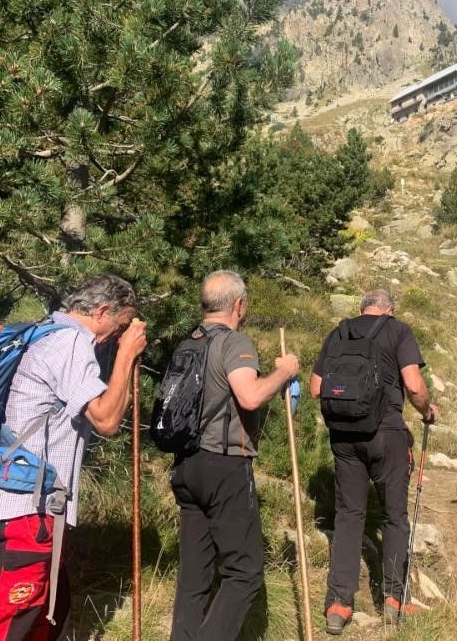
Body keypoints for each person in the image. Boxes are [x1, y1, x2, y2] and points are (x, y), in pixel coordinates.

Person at [0, 273, 147, 640]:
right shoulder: (70, 343)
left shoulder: (44, 332)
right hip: (26, 514)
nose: (118, 336)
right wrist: (127, 355)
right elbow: (107, 419)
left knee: (44, 624)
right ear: (101, 311)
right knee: (1, 629)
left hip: (26, 509)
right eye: (120, 326)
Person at [170, 270, 300, 640]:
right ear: (238, 305)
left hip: (186, 465)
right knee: (244, 572)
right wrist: (284, 372)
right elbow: (250, 396)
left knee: (195, 574)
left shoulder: (188, 343)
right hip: (224, 464)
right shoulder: (234, 343)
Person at [310, 289, 439, 635]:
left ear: (362, 309)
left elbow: (315, 387)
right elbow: (414, 386)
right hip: (387, 434)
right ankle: (394, 600)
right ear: (389, 309)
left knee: (349, 516)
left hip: (344, 437)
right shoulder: (398, 330)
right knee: (394, 516)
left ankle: (338, 605)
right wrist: (427, 410)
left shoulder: (339, 332)